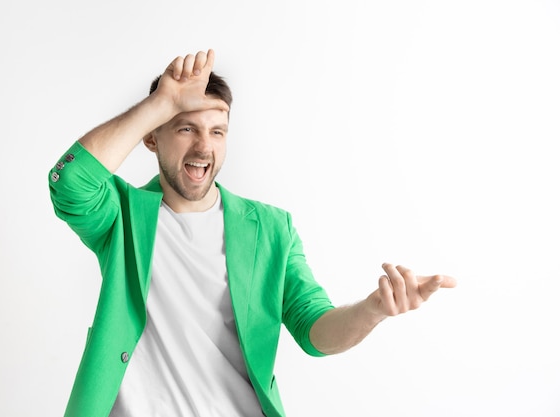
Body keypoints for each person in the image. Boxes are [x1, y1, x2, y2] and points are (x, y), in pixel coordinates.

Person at [48, 49, 457, 417]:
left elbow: (317, 331)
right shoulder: (121, 216)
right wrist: (161, 104)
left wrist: (374, 310)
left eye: (217, 131)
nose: (204, 147)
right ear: (152, 138)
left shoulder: (272, 229)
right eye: (186, 128)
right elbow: (69, 182)